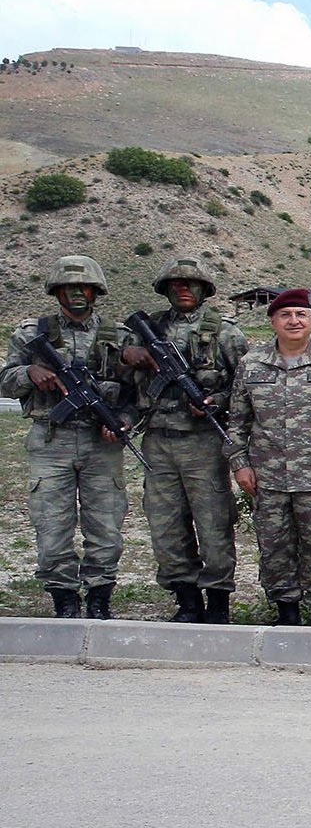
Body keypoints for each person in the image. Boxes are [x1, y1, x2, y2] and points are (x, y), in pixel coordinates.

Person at [224, 288, 311, 626]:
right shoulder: (251, 364)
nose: (293, 321)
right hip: (267, 478)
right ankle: (285, 612)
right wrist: (240, 465)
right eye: (285, 315)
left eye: (301, 314)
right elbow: (237, 423)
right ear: (272, 321)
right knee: (274, 548)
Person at [119, 254, 248, 624]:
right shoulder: (145, 330)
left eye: (191, 284)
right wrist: (129, 357)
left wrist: (215, 401)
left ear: (204, 290)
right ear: (165, 290)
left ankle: (219, 602)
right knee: (165, 525)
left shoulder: (225, 332)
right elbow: (120, 386)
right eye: (175, 285)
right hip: (157, 441)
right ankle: (186, 600)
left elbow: (243, 387)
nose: (183, 289)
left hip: (205, 442)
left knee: (214, 524)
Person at [1, 255, 130, 619]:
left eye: (84, 288)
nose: (77, 294)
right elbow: (6, 381)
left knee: (106, 523)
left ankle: (100, 598)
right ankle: (64, 600)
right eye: (69, 288)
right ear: (56, 292)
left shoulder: (116, 336)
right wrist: (30, 372)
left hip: (100, 443)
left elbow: (134, 394)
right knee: (51, 522)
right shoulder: (31, 334)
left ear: (95, 291)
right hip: (50, 439)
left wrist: (122, 420)